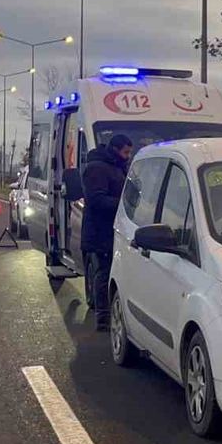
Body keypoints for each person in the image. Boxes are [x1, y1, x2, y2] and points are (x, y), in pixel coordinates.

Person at [82, 134, 133, 332]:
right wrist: (123, 204)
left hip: (113, 229)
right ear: (115, 149)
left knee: (113, 272)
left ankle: (111, 313)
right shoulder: (97, 168)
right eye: (126, 152)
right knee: (104, 273)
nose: (128, 156)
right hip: (100, 231)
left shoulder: (117, 167)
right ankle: (103, 318)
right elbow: (96, 200)